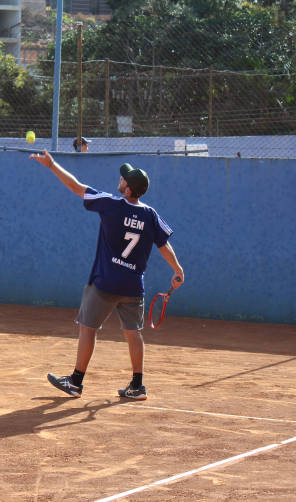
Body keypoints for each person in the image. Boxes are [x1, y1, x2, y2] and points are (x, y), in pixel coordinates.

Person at [28, 150, 184, 400]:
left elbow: (76, 186)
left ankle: (76, 382)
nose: (120, 179)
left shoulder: (111, 204)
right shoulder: (150, 215)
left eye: (124, 179)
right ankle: (137, 386)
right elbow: (164, 245)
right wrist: (178, 269)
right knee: (133, 334)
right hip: (133, 287)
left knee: (87, 329)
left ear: (128, 189)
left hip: (104, 284)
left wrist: (52, 165)